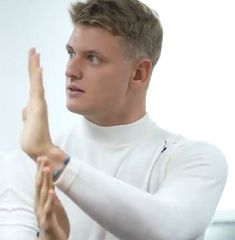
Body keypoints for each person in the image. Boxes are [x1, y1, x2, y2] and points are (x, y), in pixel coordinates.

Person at [0, 0, 227, 239]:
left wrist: (52, 158)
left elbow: (168, 230)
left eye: (93, 58)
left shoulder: (194, 160)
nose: (70, 70)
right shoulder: (24, 165)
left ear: (139, 73)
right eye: (71, 53)